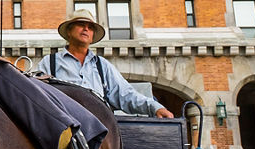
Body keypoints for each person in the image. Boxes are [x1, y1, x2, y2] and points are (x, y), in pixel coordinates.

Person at [37, 9, 174, 119]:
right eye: (81, 25)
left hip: (101, 127)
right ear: (69, 31)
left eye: (90, 27)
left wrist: (155, 107)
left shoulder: (102, 66)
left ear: (92, 35)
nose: (86, 29)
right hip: (65, 126)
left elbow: (126, 94)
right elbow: (39, 96)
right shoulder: (50, 63)